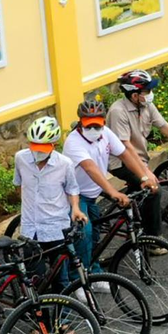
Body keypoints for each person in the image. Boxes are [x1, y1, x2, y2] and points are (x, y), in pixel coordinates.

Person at [61, 98, 157, 269]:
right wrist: (113, 192)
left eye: (97, 125)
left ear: (103, 122)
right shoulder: (73, 142)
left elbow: (125, 154)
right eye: (88, 125)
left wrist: (144, 177)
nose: (93, 129)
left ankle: (93, 270)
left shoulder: (105, 133)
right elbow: (91, 169)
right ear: (80, 123)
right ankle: (79, 278)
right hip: (75, 195)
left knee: (96, 235)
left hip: (93, 194)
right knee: (85, 233)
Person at [106, 69, 168, 238]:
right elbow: (125, 147)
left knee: (143, 191)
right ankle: (152, 239)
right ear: (134, 95)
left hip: (139, 158)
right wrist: (145, 172)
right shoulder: (117, 111)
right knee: (153, 190)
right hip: (120, 162)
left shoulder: (146, 105)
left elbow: (164, 127)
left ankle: (138, 221)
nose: (151, 94)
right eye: (147, 91)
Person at [13, 116, 86, 278]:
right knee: (34, 279)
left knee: (60, 278)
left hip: (56, 228)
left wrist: (75, 208)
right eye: (35, 146)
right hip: (30, 229)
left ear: (54, 145)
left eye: (43, 147)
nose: (38, 151)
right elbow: (18, 185)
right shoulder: (20, 158)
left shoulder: (65, 164)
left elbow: (72, 189)